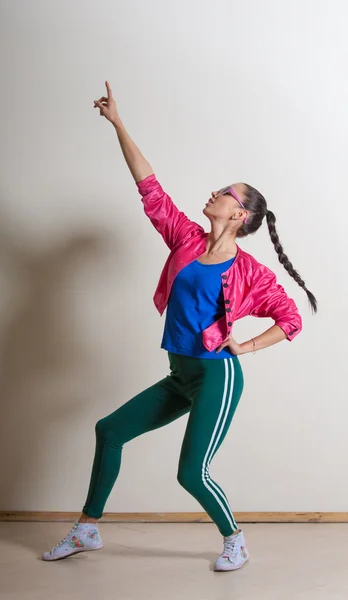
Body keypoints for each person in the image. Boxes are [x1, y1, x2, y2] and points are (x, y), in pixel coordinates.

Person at [42, 82, 317, 570]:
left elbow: (291, 318)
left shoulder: (250, 271)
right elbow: (150, 187)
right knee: (109, 431)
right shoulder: (187, 239)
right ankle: (87, 529)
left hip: (216, 374)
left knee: (191, 473)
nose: (214, 192)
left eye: (226, 192)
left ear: (240, 213)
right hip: (180, 373)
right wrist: (117, 124)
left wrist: (247, 346)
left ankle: (236, 540)